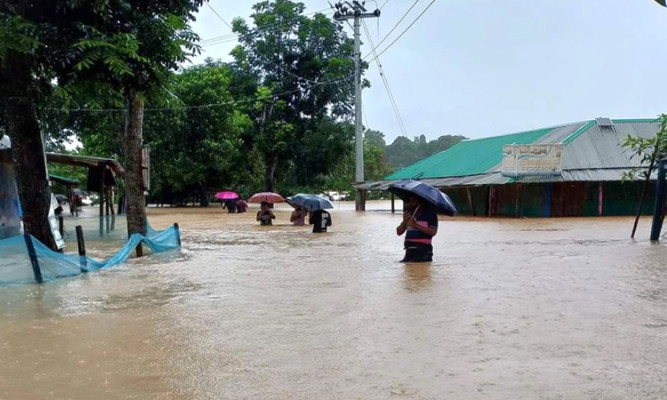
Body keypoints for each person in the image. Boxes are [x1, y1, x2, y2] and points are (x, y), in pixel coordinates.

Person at [396, 195, 438, 262]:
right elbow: (399, 232)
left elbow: (433, 231)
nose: (411, 200)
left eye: (414, 198)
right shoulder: (410, 213)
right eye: (411, 198)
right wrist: (404, 222)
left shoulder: (430, 214)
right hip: (409, 250)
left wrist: (415, 225)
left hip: (423, 250)